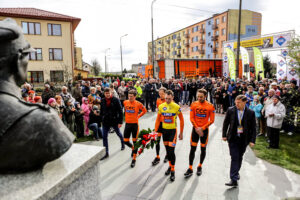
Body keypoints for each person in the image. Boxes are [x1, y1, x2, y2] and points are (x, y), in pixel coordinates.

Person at [222, 95, 256, 187]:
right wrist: (224, 135)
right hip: (233, 138)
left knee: (239, 157)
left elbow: (253, 128)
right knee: (234, 157)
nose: (236, 104)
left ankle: (235, 174)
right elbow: (226, 123)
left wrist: (252, 140)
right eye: (236, 102)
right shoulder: (230, 110)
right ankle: (233, 178)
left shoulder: (250, 113)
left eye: (239, 102)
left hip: (244, 139)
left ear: (245, 102)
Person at [154, 90, 184, 182]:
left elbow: (182, 120)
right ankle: (170, 167)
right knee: (168, 151)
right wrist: (155, 131)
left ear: (173, 98)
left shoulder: (176, 106)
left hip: (172, 132)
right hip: (164, 131)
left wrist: (181, 133)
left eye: (169, 99)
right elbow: (158, 120)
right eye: (166, 98)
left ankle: (172, 171)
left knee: (171, 152)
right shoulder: (161, 106)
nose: (167, 100)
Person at [184, 89, 215, 178]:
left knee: (203, 149)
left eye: (201, 97)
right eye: (198, 96)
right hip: (195, 129)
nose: (199, 98)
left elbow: (212, 120)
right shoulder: (193, 104)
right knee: (192, 149)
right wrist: (197, 128)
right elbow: (191, 118)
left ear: (205, 96)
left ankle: (200, 166)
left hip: (204, 131)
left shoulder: (210, 106)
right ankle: (190, 168)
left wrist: (203, 128)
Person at [123, 90, 147, 167]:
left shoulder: (138, 104)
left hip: (134, 125)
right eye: (129, 96)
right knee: (125, 141)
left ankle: (134, 159)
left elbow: (144, 110)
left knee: (135, 141)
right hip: (127, 124)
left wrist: (138, 116)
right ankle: (133, 149)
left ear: (135, 97)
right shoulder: (125, 102)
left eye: (131, 96)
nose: (130, 98)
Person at [100, 88, 125, 160]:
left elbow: (120, 111)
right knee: (104, 136)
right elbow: (102, 110)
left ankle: (122, 143)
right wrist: (101, 116)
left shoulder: (116, 100)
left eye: (108, 93)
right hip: (106, 121)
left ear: (111, 93)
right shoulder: (102, 100)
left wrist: (120, 122)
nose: (107, 95)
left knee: (118, 133)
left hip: (114, 120)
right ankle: (106, 153)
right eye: (106, 93)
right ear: (104, 94)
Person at [152, 87, 168, 166]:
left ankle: (167, 155)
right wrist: (155, 128)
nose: (161, 95)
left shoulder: (169, 101)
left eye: (162, 94)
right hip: (159, 124)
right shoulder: (158, 101)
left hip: (166, 124)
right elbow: (158, 114)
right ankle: (157, 157)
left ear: (166, 93)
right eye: (160, 94)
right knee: (157, 141)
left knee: (166, 142)